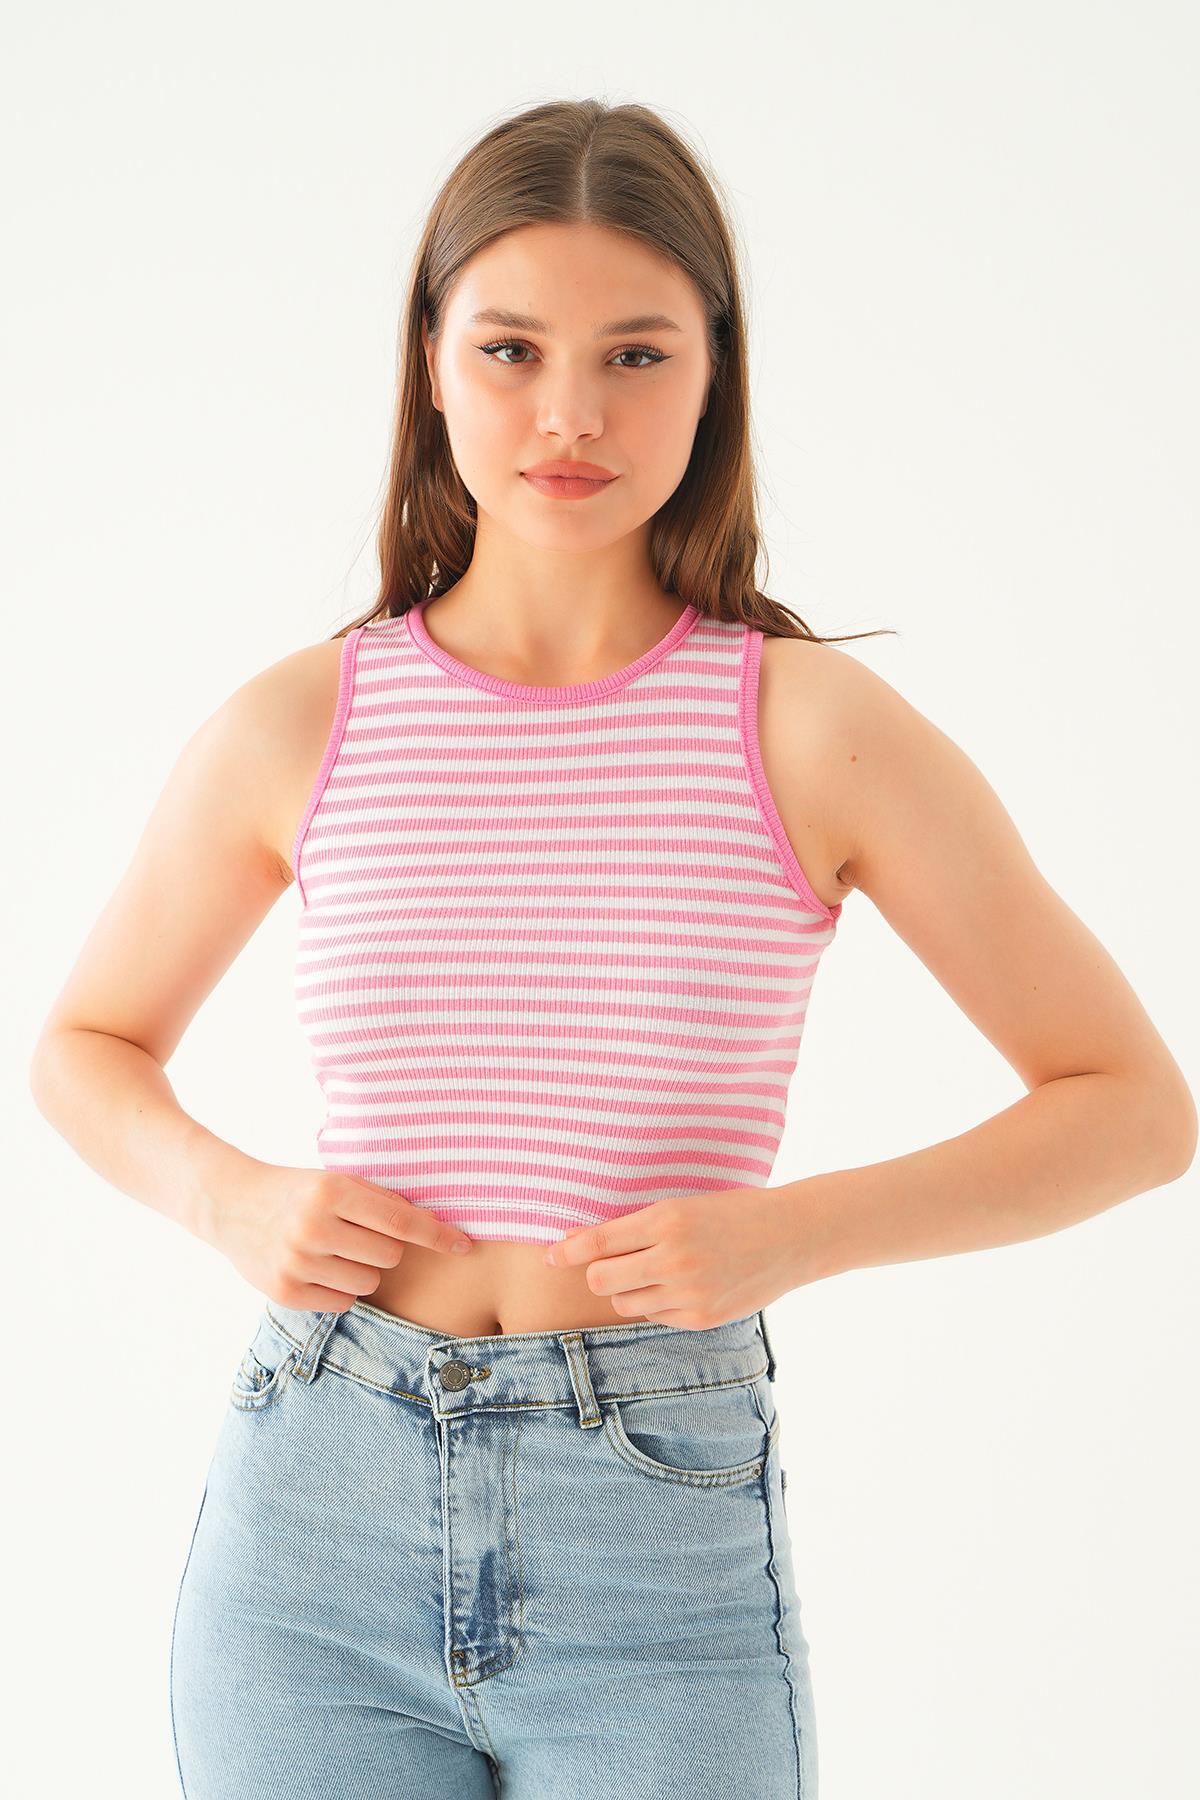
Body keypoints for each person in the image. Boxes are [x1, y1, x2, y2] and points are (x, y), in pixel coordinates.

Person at [28, 98, 1195, 1800]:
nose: (570, 414)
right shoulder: (303, 723)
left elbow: (1132, 1108)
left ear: (715, 376)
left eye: (636, 355)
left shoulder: (807, 728)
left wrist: (793, 1235)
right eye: (511, 349)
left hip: (655, 1532)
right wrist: (227, 1197)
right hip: (312, 1522)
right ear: (432, 365)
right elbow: (85, 1046)